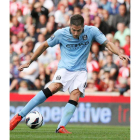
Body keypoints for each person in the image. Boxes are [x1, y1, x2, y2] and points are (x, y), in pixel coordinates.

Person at [10, 14, 130, 133]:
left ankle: (61, 127)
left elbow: (107, 43)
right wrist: (29, 61)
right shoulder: (61, 33)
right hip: (65, 69)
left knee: (75, 94)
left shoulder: (92, 31)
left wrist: (119, 53)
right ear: (69, 26)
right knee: (54, 87)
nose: (76, 33)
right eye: (73, 30)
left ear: (83, 26)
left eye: (79, 30)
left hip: (81, 71)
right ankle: (19, 116)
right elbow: (44, 45)